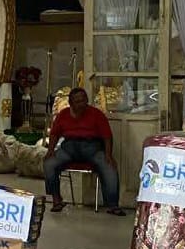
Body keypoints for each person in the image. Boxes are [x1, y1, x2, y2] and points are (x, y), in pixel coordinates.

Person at [44, 88, 125, 216]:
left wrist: (108, 155)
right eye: (77, 101)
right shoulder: (63, 115)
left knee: (109, 167)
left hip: (91, 147)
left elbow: (107, 136)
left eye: (83, 100)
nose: (81, 104)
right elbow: (54, 134)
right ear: (71, 103)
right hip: (69, 147)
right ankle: (56, 199)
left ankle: (113, 205)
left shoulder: (96, 114)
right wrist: (50, 151)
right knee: (49, 164)